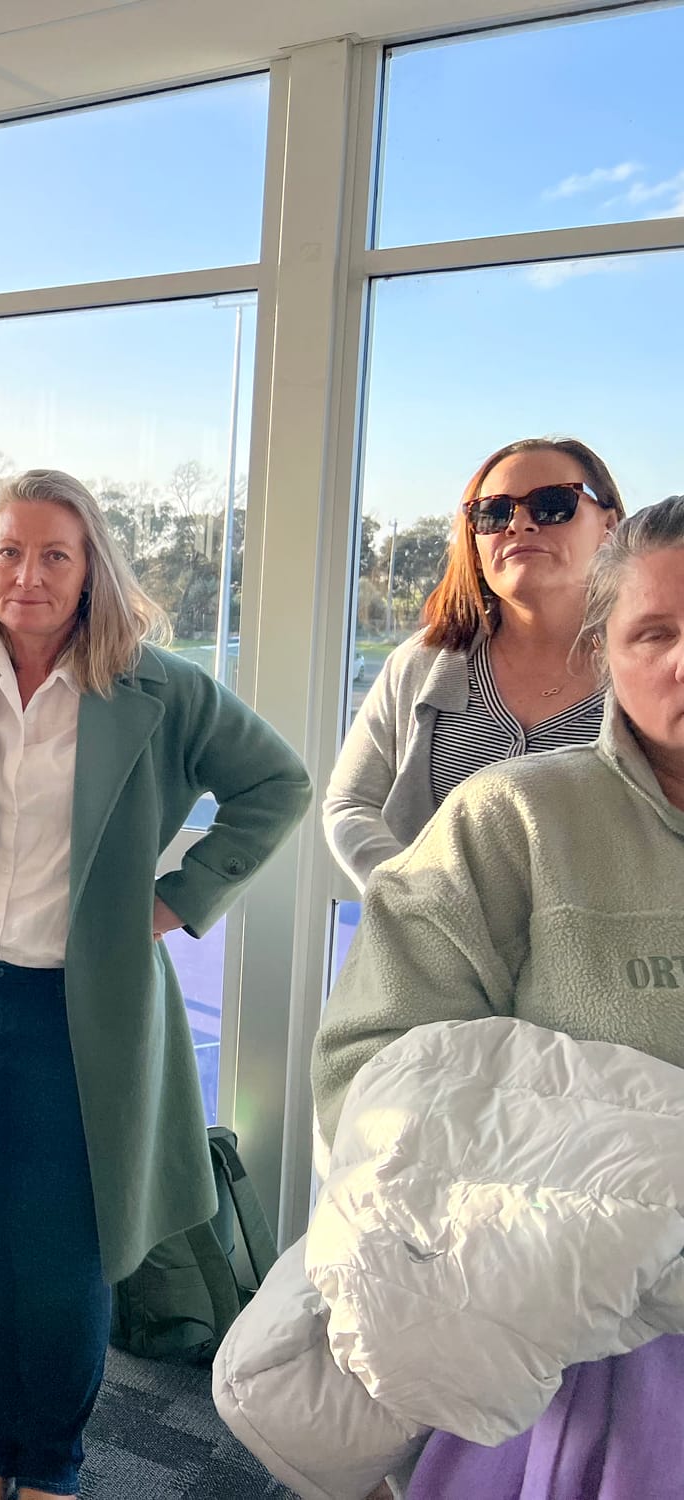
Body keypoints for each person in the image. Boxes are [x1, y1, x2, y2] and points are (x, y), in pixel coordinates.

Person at [0, 470, 310, 1500]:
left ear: (90, 572)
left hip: (84, 1015)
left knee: (66, 1252)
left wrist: (182, 894)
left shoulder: (156, 688)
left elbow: (276, 783)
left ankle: (53, 1464)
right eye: (7, 553)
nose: (26, 575)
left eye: (53, 555)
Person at [314, 494, 684, 1499]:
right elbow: (371, 1079)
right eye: (655, 632)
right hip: (561, 1363)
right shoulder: (507, 815)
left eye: (550, 503)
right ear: (604, 651)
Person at [324, 437, 622, 891]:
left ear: (609, 525)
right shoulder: (421, 664)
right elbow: (350, 802)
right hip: (432, 956)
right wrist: (413, 901)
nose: (519, 524)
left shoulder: (654, 672)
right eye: (493, 512)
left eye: (553, 503)